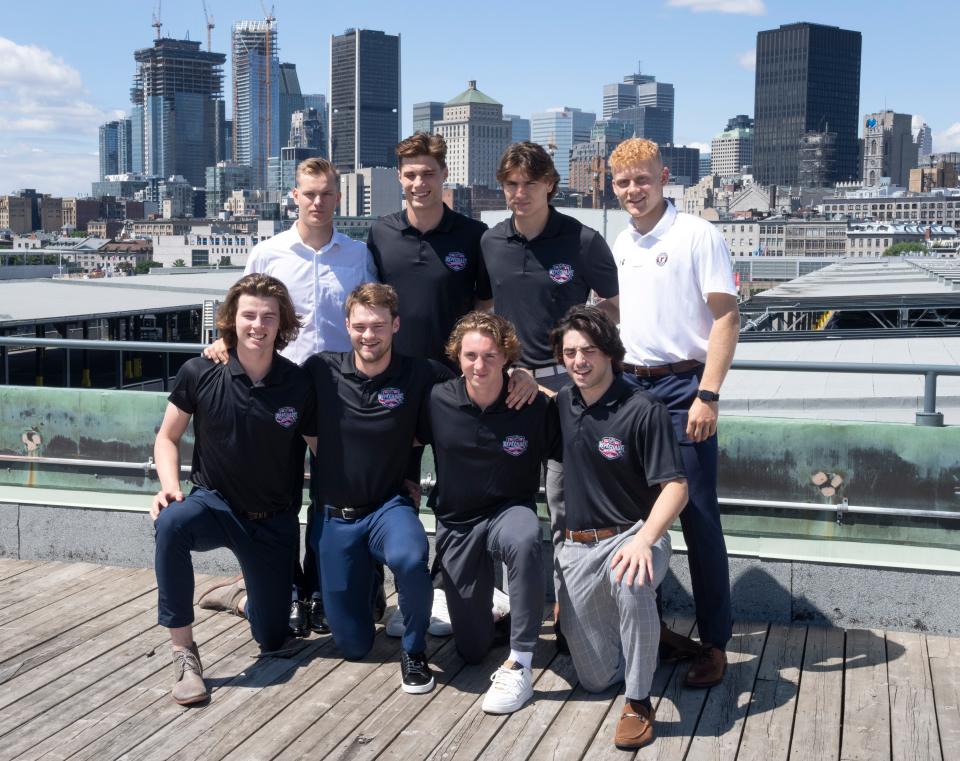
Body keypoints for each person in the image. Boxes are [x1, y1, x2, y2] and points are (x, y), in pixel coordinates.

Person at [367, 133, 538, 638]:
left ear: (445, 177)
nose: (420, 182)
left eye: (429, 173)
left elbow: (489, 310)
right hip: (395, 386)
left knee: (459, 490)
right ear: (400, 178)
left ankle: (450, 587)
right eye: (411, 174)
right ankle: (389, 593)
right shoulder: (379, 234)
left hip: (457, 387)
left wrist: (506, 365)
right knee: (390, 487)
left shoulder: (473, 235)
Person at [204, 157, 377, 637]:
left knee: (329, 497)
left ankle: (320, 591)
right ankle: (286, 590)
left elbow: (369, 318)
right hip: (276, 391)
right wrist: (223, 340)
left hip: (338, 395)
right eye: (309, 193)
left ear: (339, 198)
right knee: (277, 498)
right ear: (294, 197)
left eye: (326, 193)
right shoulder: (268, 252)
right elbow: (241, 308)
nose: (317, 202)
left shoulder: (358, 255)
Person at [608, 137, 740, 688]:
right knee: (639, 515)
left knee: (698, 517)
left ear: (664, 177)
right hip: (631, 390)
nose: (634, 190)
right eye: (623, 183)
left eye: (642, 179)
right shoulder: (621, 241)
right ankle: (653, 628)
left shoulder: (698, 235)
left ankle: (714, 643)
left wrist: (708, 394)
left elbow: (727, 318)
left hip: (684, 389)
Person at [151, 273, 316, 705]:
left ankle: (239, 598)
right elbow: (166, 438)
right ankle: (184, 651)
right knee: (171, 524)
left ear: (283, 325)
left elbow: (325, 454)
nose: (257, 325)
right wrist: (169, 488)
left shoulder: (299, 385)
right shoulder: (201, 371)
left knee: (274, 637)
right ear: (231, 319)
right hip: (213, 504)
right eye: (248, 315)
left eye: (268, 317)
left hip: (273, 521)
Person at [481, 141, 620, 645]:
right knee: (507, 502)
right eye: (510, 185)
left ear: (550, 186)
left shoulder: (582, 240)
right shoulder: (491, 242)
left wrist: (576, 348)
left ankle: (569, 613)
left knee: (565, 506)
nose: (519, 194)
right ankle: (507, 612)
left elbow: (616, 306)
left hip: (566, 387)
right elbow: (484, 308)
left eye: (529, 185)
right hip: (510, 385)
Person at [550, 305, 687, 750]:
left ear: (609, 352)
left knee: (630, 579)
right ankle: (649, 640)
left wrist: (646, 539)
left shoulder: (642, 408)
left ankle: (639, 702)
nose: (578, 361)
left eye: (588, 350)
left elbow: (676, 487)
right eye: (570, 352)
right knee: (593, 678)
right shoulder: (563, 403)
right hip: (576, 547)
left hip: (633, 534)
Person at [303, 283, 449, 693]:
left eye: (379, 326)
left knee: (409, 556)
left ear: (395, 325)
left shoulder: (420, 373)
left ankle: (414, 649)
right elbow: (269, 383)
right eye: (361, 326)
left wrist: (520, 375)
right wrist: (221, 348)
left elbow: (475, 383)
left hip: (389, 508)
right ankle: (366, 591)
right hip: (336, 518)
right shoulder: (320, 370)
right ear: (347, 326)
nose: (370, 335)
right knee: (353, 646)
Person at [421, 312, 559, 714]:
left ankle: (521, 661)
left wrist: (535, 382)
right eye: (470, 356)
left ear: (506, 358)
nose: (479, 366)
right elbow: (398, 438)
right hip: (459, 523)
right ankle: (494, 608)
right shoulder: (437, 399)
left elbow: (576, 427)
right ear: (457, 356)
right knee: (471, 650)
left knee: (526, 536)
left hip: (507, 511)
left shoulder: (528, 402)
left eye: (490, 356)